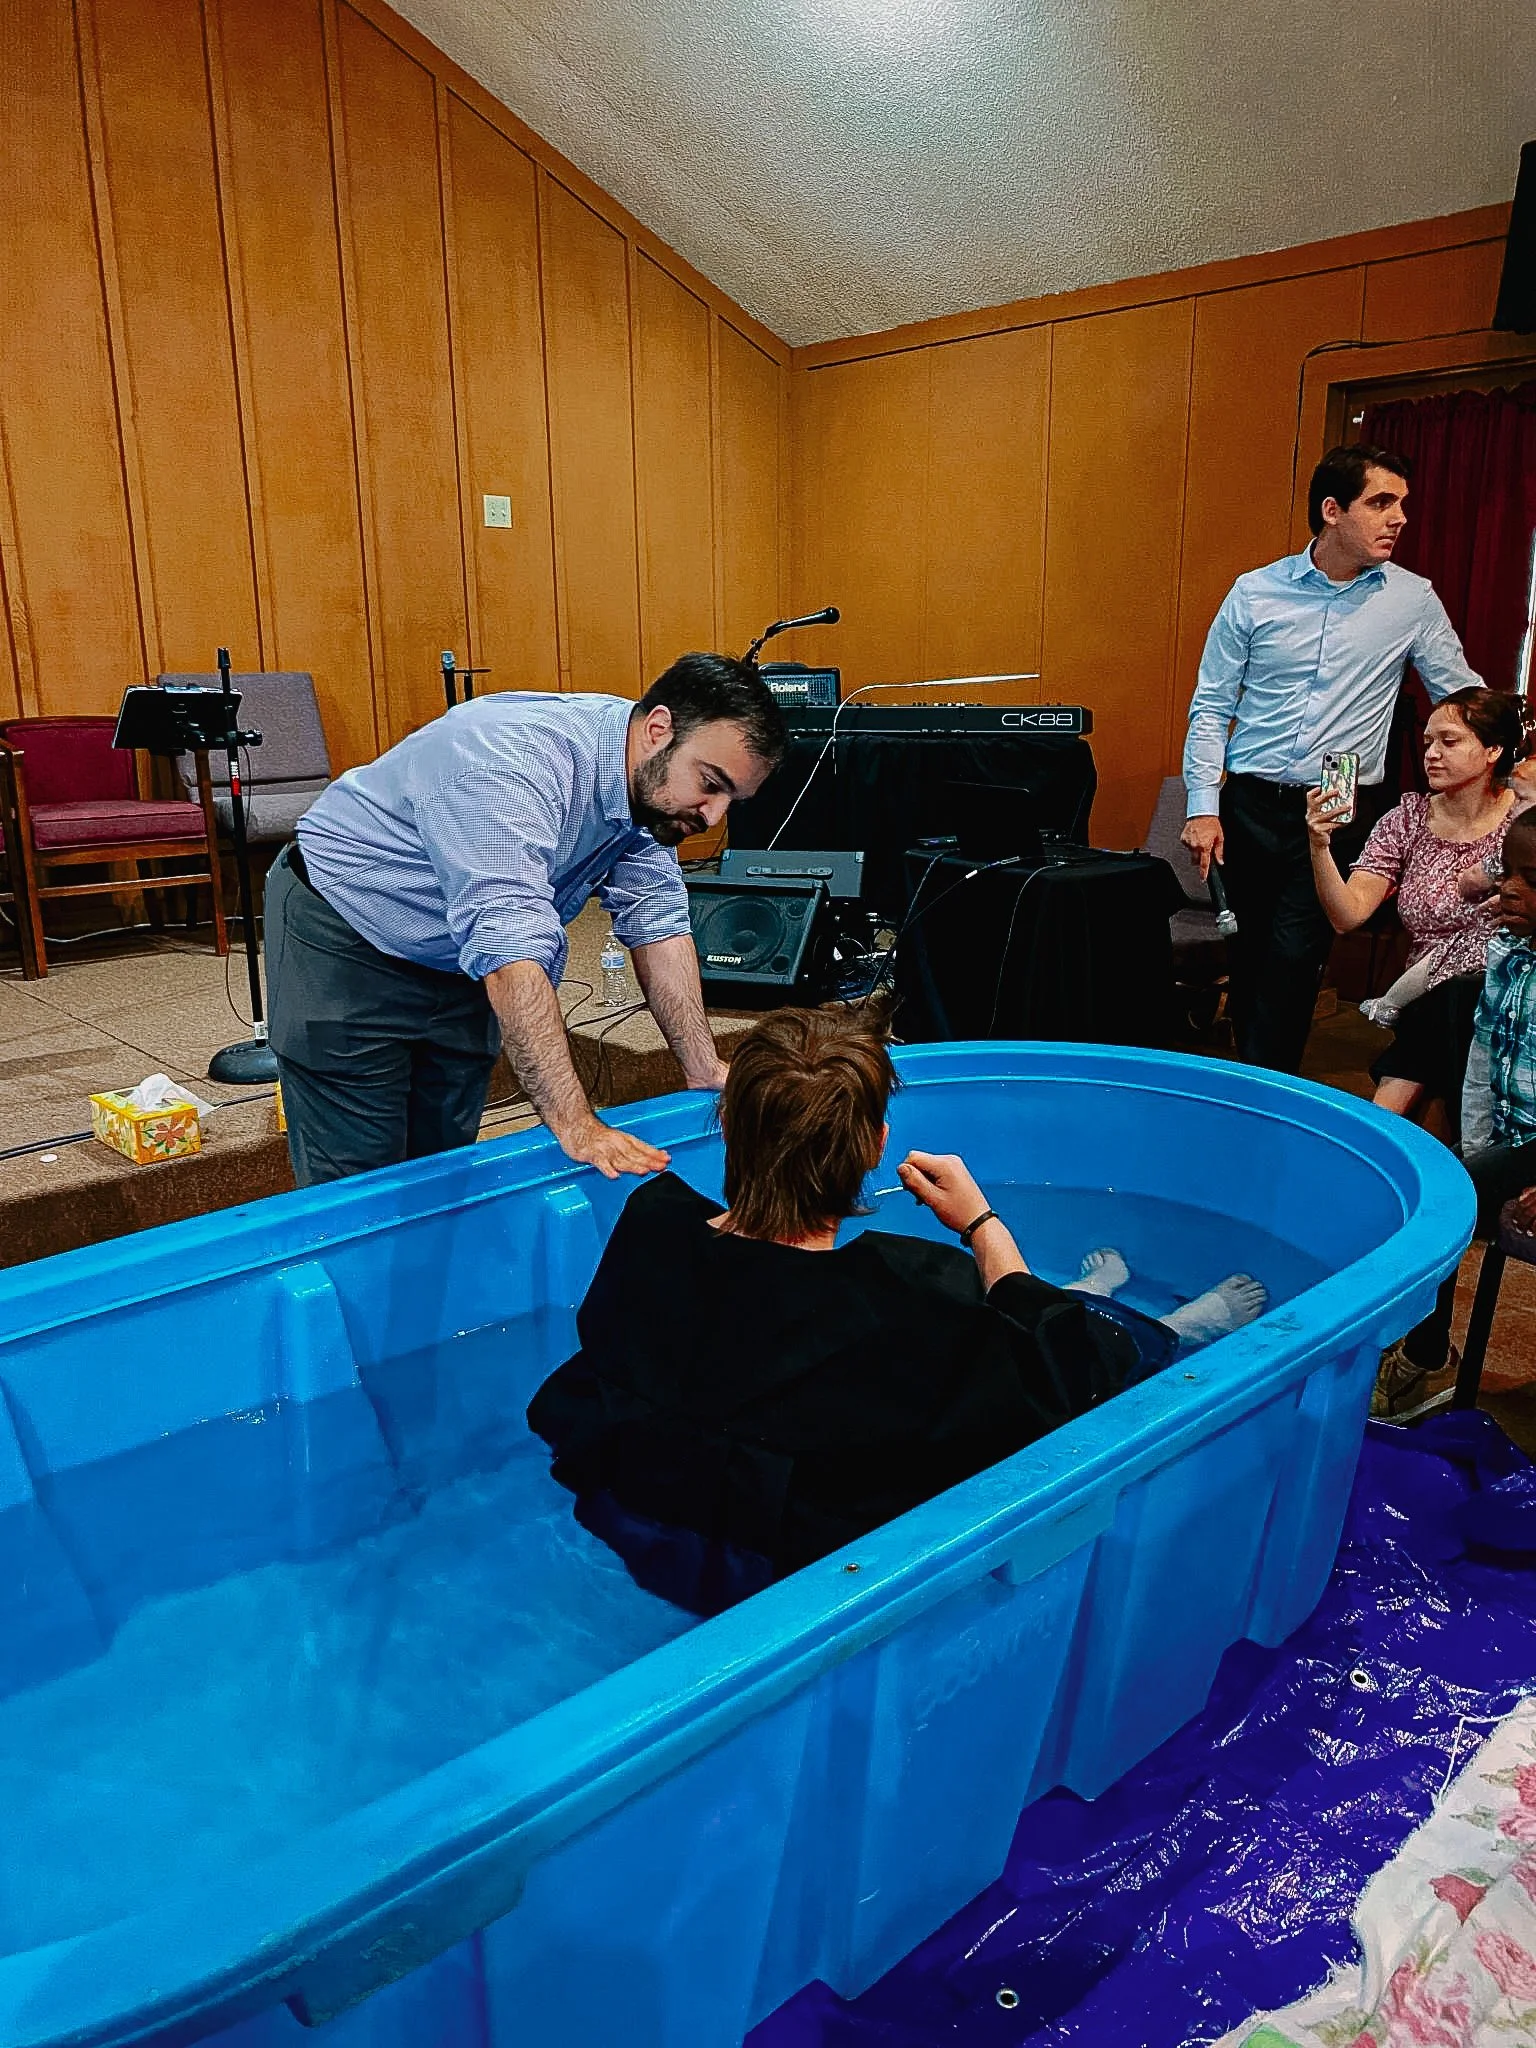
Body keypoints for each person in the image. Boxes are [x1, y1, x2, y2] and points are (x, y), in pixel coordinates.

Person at [527, 1007, 1266, 1616]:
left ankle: (1090, 1292)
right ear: (876, 1146)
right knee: (1080, 1338)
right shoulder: (907, 1292)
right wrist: (984, 1227)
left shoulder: (651, 1225)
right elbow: (1072, 1378)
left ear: (727, 1126)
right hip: (799, 1570)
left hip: (647, 1526)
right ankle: (1162, 1322)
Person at [265, 653, 786, 1186]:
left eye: (732, 799)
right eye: (711, 782)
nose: (712, 816)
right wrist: (577, 1125)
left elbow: (658, 918)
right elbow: (509, 943)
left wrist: (703, 1065)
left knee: (441, 1161)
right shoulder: (510, 762)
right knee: (360, 1180)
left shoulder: (648, 781)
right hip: (349, 930)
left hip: (456, 955)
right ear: (658, 729)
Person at [1180, 443, 1481, 1073]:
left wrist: (1511, 746)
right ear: (1332, 510)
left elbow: (1461, 695)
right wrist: (1203, 807)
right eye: (1381, 502)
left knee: (1296, 956)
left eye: (1403, 504)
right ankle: (1254, 1078)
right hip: (1251, 801)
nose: (1400, 517)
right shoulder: (1254, 593)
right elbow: (1210, 708)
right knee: (1251, 953)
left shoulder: (1412, 600)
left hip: (1339, 804)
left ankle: (1266, 1089)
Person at [1303, 687, 1524, 1126]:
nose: (1432, 754)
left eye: (1449, 741)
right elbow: (1347, 915)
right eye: (1427, 742)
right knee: (1439, 1022)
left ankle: (1376, 1126)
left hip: (1504, 997)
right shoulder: (1406, 818)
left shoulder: (1524, 822)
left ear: (1493, 750)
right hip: (1425, 998)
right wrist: (1318, 844)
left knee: (1454, 1004)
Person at [1379, 808, 1536, 1414]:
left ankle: (1419, 1358)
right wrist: (1475, 1152)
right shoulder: (1507, 952)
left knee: (1442, 1206)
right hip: (1511, 1142)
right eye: (1508, 873)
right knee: (1436, 1188)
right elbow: (1480, 1066)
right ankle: (1426, 1354)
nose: (1510, 889)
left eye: (1533, 878)